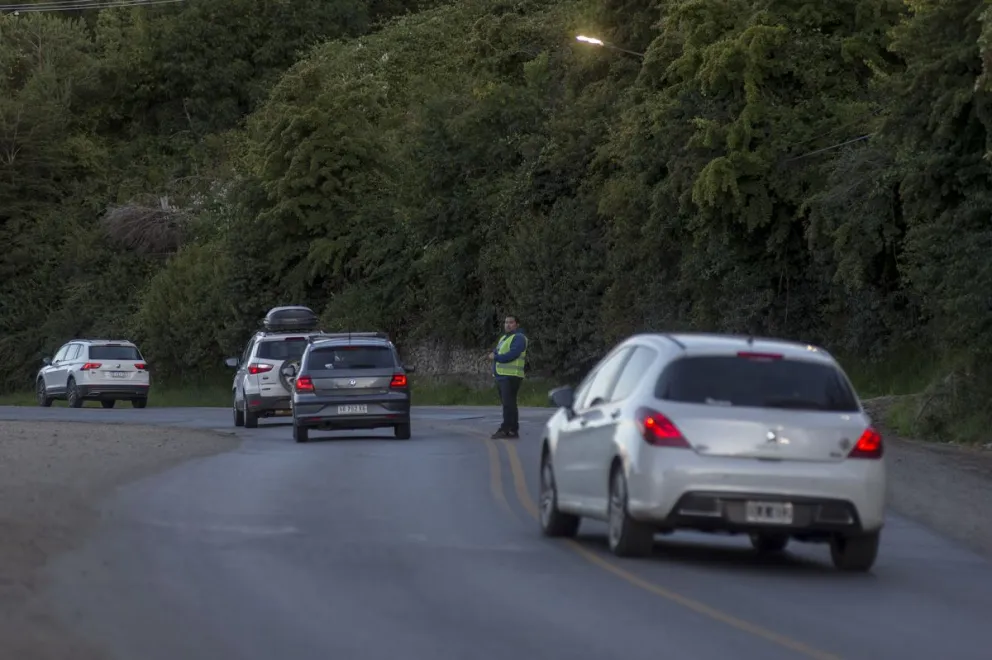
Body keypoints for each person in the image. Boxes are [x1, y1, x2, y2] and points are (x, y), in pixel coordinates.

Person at [489, 315, 528, 439]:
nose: (507, 325)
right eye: (506, 322)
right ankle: (512, 429)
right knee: (510, 404)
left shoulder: (519, 338)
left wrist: (496, 357)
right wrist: (494, 354)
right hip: (502, 376)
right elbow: (497, 351)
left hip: (511, 376)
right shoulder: (504, 338)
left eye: (511, 322)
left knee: (508, 404)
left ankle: (505, 429)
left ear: (517, 324)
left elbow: (513, 354)